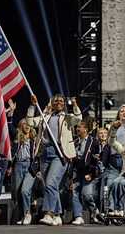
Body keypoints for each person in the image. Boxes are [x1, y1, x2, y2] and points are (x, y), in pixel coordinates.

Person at [26, 94, 82, 226]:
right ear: (51, 103)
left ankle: (49, 213)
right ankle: (58, 214)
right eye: (55, 100)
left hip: (60, 154)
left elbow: (79, 119)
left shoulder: (67, 118)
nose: (58, 102)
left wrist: (74, 105)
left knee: (51, 183)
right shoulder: (45, 117)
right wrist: (32, 106)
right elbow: (29, 122)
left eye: (61, 101)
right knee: (52, 186)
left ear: (64, 103)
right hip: (45, 154)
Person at [71, 121, 100, 225]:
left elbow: (96, 160)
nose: (77, 129)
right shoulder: (74, 142)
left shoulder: (94, 141)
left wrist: (91, 173)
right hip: (76, 171)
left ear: (86, 129)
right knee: (75, 194)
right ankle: (78, 216)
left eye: (79, 127)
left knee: (86, 194)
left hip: (88, 172)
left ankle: (94, 210)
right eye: (77, 127)